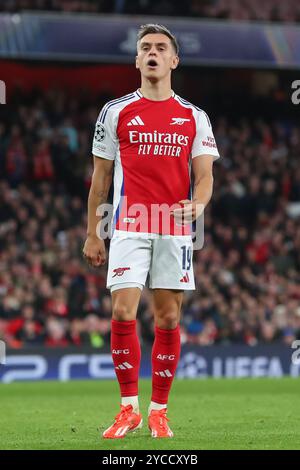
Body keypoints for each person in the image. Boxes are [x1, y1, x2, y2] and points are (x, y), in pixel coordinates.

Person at [83, 23, 220, 439]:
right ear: (137, 59)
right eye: (146, 48)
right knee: (122, 310)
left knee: (168, 316)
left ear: (174, 60)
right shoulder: (115, 111)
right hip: (127, 224)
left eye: (161, 48)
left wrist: (199, 204)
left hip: (175, 228)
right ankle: (129, 408)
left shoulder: (194, 116)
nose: (153, 53)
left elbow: (205, 176)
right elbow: (100, 178)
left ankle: (159, 409)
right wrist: (93, 233)